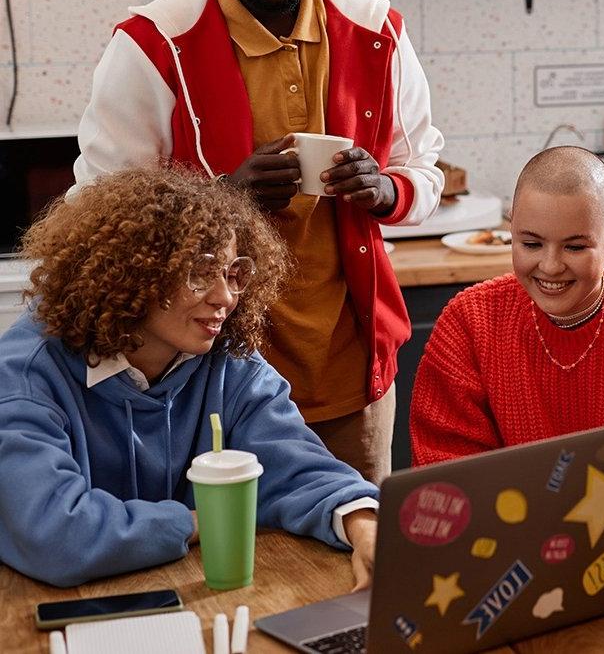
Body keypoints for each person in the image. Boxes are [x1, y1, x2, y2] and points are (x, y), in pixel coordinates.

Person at [71, 0, 444, 485]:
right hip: (199, 390)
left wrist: (382, 189)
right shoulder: (154, 46)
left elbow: (425, 170)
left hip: (348, 381)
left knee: (358, 565)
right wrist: (221, 198)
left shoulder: (376, 31)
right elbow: (98, 222)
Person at [0, 166, 379, 588]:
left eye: (234, 273)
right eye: (199, 272)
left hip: (192, 593)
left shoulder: (231, 363)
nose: (225, 298)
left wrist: (365, 526)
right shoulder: (26, 378)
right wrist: (207, 520)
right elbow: (58, 536)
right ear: (131, 274)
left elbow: (301, 468)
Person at [411, 146, 604, 524]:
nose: (550, 266)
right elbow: (442, 471)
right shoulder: (469, 322)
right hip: (511, 546)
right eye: (530, 244)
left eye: (575, 247)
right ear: (509, 230)